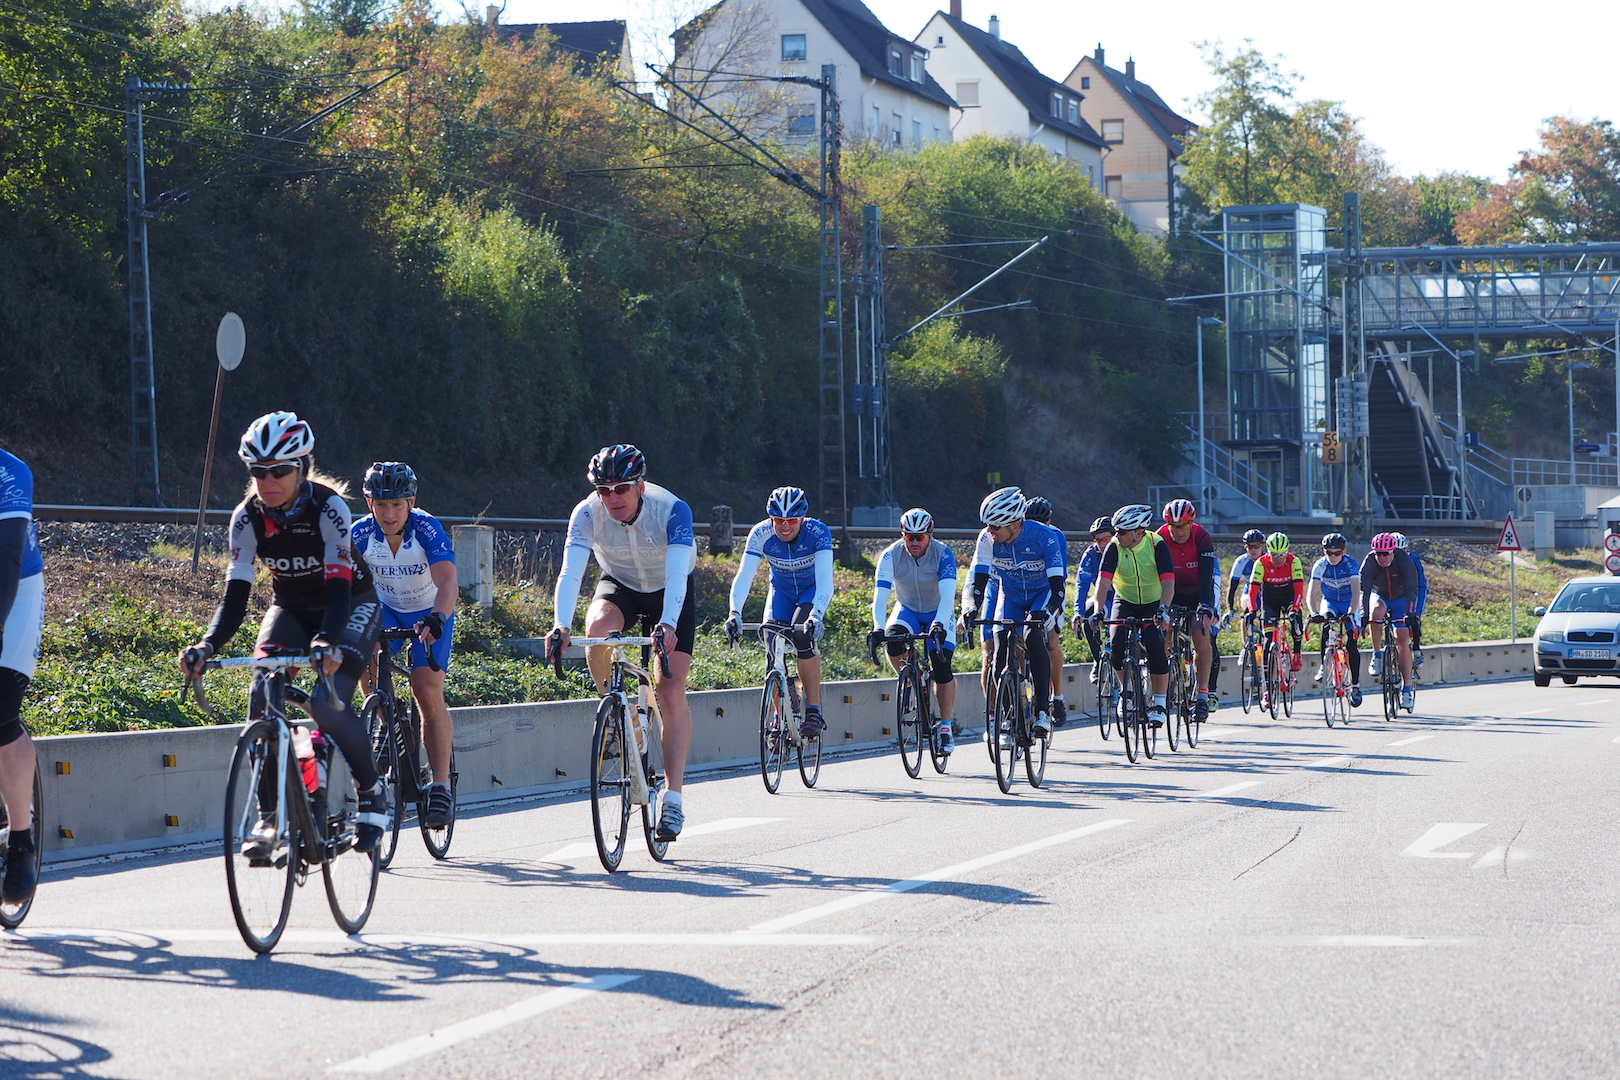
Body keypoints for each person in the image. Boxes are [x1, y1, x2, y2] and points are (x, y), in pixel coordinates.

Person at [179, 412, 389, 853]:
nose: (268, 481)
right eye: (258, 471)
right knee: (262, 698)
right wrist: (206, 645)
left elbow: (338, 592)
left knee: (327, 705)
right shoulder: (246, 519)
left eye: (279, 471)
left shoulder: (329, 508)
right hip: (291, 609)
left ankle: (372, 792)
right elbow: (234, 601)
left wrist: (327, 641)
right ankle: (270, 817)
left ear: (301, 469)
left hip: (351, 605)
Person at [548, 445, 696, 841]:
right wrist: (561, 625)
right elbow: (570, 573)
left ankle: (674, 799)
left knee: (669, 688)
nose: (612, 498)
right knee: (596, 629)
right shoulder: (586, 513)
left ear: (640, 486)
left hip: (670, 590)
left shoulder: (672, 510)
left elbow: (678, 574)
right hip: (621, 585)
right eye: (604, 490)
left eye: (622, 489)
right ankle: (619, 714)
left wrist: (668, 623)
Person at [351, 462, 458, 826]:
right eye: (381, 505)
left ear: (411, 502)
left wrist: (437, 619)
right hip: (386, 609)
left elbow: (447, 582)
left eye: (396, 504)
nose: (389, 513)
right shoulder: (360, 533)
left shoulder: (426, 528)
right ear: (369, 503)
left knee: (425, 687)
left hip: (430, 611)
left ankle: (440, 785)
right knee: (363, 655)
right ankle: (388, 719)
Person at [726, 487, 834, 737]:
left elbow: (825, 580)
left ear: (802, 519)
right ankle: (779, 718)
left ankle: (814, 709)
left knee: (802, 636)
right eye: (779, 520)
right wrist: (734, 612)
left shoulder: (818, 532)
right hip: (781, 592)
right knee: (771, 643)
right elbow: (744, 575)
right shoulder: (760, 533)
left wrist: (816, 615)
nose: (785, 526)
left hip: (810, 591)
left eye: (792, 520)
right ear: (770, 518)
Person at [961, 487, 1066, 737]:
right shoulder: (986, 539)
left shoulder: (1044, 536)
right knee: (1000, 651)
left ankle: (1043, 711)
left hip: (1042, 593)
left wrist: (1048, 611)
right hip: (1011, 595)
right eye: (987, 525)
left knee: (1033, 637)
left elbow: (1058, 587)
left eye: (995, 526)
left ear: (1015, 524)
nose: (989, 531)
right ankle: (1009, 716)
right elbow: (978, 580)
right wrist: (971, 607)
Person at [868, 508, 958, 752]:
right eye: (909, 537)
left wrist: (939, 623)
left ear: (930, 535)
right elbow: (880, 596)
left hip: (938, 611)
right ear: (903, 535)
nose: (914, 542)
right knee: (892, 640)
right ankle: (909, 677)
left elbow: (948, 597)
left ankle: (946, 727)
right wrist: (878, 627)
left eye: (920, 537)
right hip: (907, 608)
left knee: (941, 664)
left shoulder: (943, 554)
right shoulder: (891, 555)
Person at [0, 446, 44, 904]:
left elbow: (9, 555)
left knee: (0, 710)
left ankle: (20, 842)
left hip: (14, 585)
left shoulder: (10, 473)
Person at [1095, 504, 1174, 727]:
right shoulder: (1114, 546)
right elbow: (1103, 582)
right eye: (1116, 531)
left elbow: (1169, 583)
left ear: (1139, 532)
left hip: (1153, 602)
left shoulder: (1156, 544)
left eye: (1122, 532)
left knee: (1154, 645)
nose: (1117, 535)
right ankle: (1127, 691)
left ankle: (1160, 704)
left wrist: (1163, 609)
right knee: (1116, 644)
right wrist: (1098, 610)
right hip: (1125, 600)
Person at [1156, 499, 1217, 720]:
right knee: (1162, 634)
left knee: (1200, 633)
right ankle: (1166, 683)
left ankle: (1202, 696)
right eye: (1173, 526)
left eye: (1183, 526)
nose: (1178, 531)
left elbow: (1207, 575)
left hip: (1198, 592)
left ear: (1191, 523)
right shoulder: (1159, 537)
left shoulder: (1201, 536)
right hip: (1171, 591)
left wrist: (1205, 606)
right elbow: (1154, 575)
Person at [1246, 532, 1306, 710]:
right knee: (1267, 641)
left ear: (1287, 551)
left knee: (1296, 621)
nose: (1278, 558)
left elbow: (1299, 590)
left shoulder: (1294, 561)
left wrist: (1295, 609)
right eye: (1274, 555)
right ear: (1268, 552)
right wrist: (1252, 610)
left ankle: (1296, 653)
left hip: (1289, 599)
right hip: (1270, 602)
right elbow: (1253, 591)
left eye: (1282, 554)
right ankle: (1267, 690)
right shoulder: (1261, 563)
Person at [1361, 531, 1420, 711]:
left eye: (1385, 554)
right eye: (1378, 553)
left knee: (1402, 639)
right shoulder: (1369, 562)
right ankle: (1377, 654)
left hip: (1401, 598)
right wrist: (1363, 614)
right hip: (1381, 596)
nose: (1381, 557)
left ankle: (1406, 688)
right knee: (1375, 613)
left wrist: (1410, 612)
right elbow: (1364, 590)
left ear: (1393, 552)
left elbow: (1412, 589)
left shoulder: (1404, 561)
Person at [1024, 496, 1068, 727]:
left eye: (1042, 522)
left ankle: (1058, 697)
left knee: (1051, 641)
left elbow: (1060, 576)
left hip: (1049, 590)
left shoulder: (1056, 536)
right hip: (1023, 591)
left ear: (1049, 522)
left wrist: (1054, 608)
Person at [1307, 532, 1363, 708]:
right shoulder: (1320, 565)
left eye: (1337, 553)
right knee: (1326, 624)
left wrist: (1351, 612)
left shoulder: (1350, 564)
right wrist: (1313, 612)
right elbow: (1311, 593)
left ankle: (1355, 685)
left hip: (1349, 603)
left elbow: (1356, 592)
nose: (1332, 557)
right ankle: (1324, 666)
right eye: (1329, 553)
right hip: (1330, 601)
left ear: (1344, 552)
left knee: (1352, 642)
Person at [1071, 517, 1116, 686]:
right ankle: (1098, 661)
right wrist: (1078, 613)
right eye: (1098, 540)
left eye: (1106, 539)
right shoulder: (1091, 555)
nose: (1102, 544)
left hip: (1126, 599)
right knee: (1088, 613)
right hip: (1104, 599)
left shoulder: (1123, 550)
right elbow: (1081, 585)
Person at [1393, 533, 1427, 667]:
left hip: (1411, 594)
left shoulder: (1413, 560)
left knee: (1414, 618)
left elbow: (1421, 585)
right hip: (1394, 596)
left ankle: (1417, 650)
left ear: (1407, 550)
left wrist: (1418, 611)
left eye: (1402, 551)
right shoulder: (1385, 561)